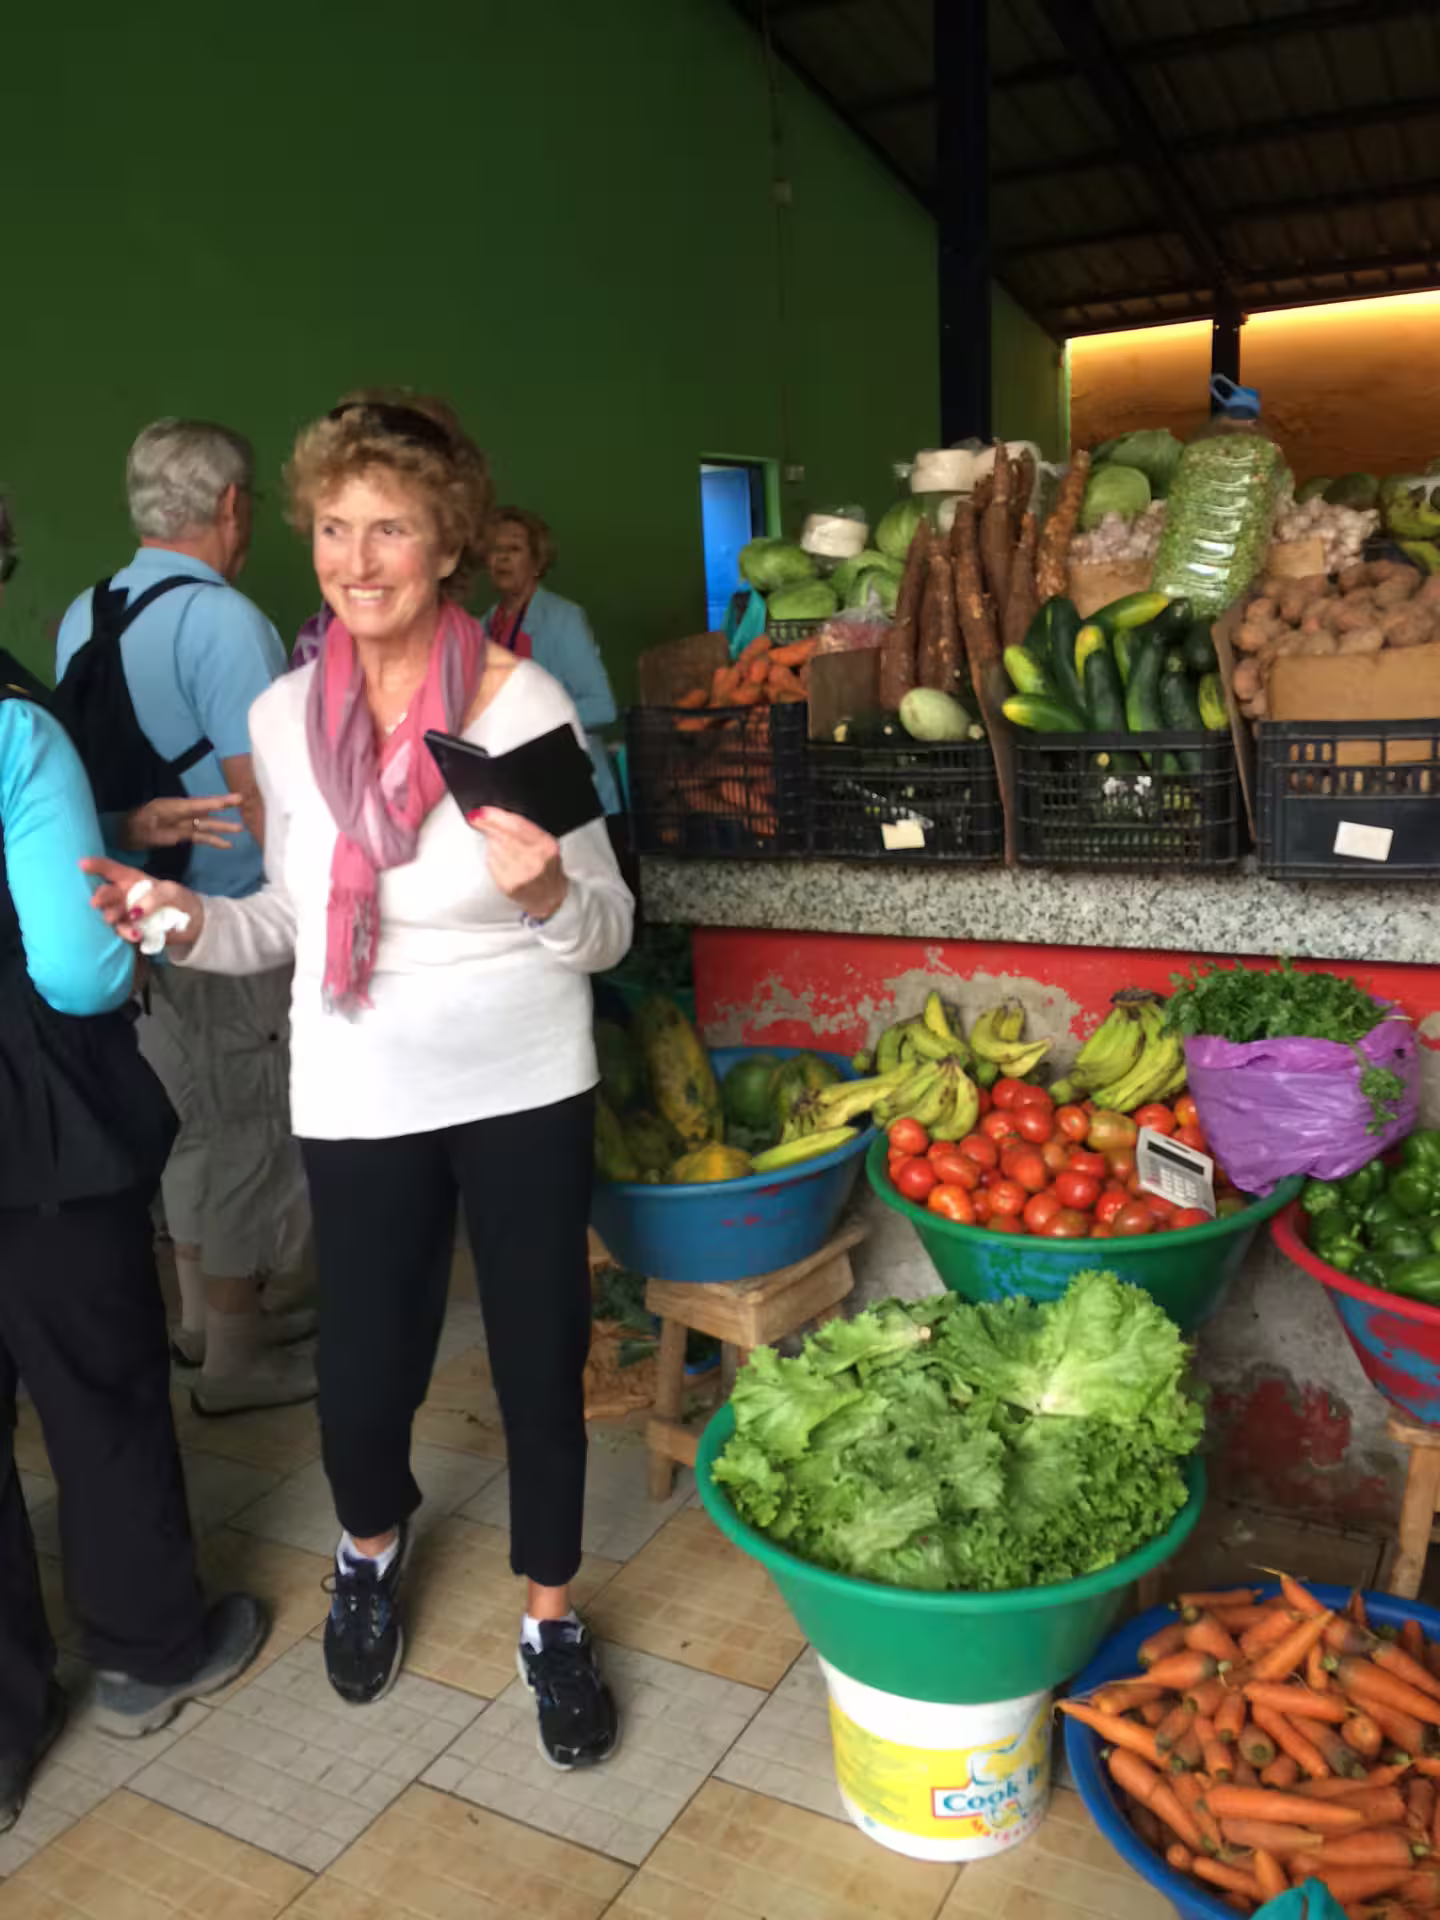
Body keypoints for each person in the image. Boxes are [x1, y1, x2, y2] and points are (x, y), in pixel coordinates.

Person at [85, 392, 634, 1769]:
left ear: (448, 544)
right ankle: (369, 1553)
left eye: (390, 527)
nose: (358, 557)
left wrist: (551, 888)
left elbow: (612, 928)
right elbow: (279, 917)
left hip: (522, 1079)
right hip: (357, 1089)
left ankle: (550, 1618)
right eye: (334, 528)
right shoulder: (278, 718)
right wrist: (181, 920)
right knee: (367, 1371)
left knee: (535, 1361)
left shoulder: (527, 703)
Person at [0, 494, 267, 1835]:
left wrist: (119, 819)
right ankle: (148, 1649)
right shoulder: (11, 726)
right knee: (97, 1389)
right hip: (32, 1121)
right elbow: (75, 961)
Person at [57, 420, 313, 1417]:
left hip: (135, 905)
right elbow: (261, 795)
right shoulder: (223, 619)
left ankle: (204, 1321)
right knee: (250, 1120)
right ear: (232, 506)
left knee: (194, 1121)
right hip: (229, 913)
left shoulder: (87, 609)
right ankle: (239, 1362)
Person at [483, 509, 622, 819]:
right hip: (515, 796)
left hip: (572, 798)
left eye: (514, 549)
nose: (502, 558)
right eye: (495, 549)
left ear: (537, 562)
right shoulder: (484, 628)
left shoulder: (563, 619)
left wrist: (532, 724)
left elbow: (603, 707)